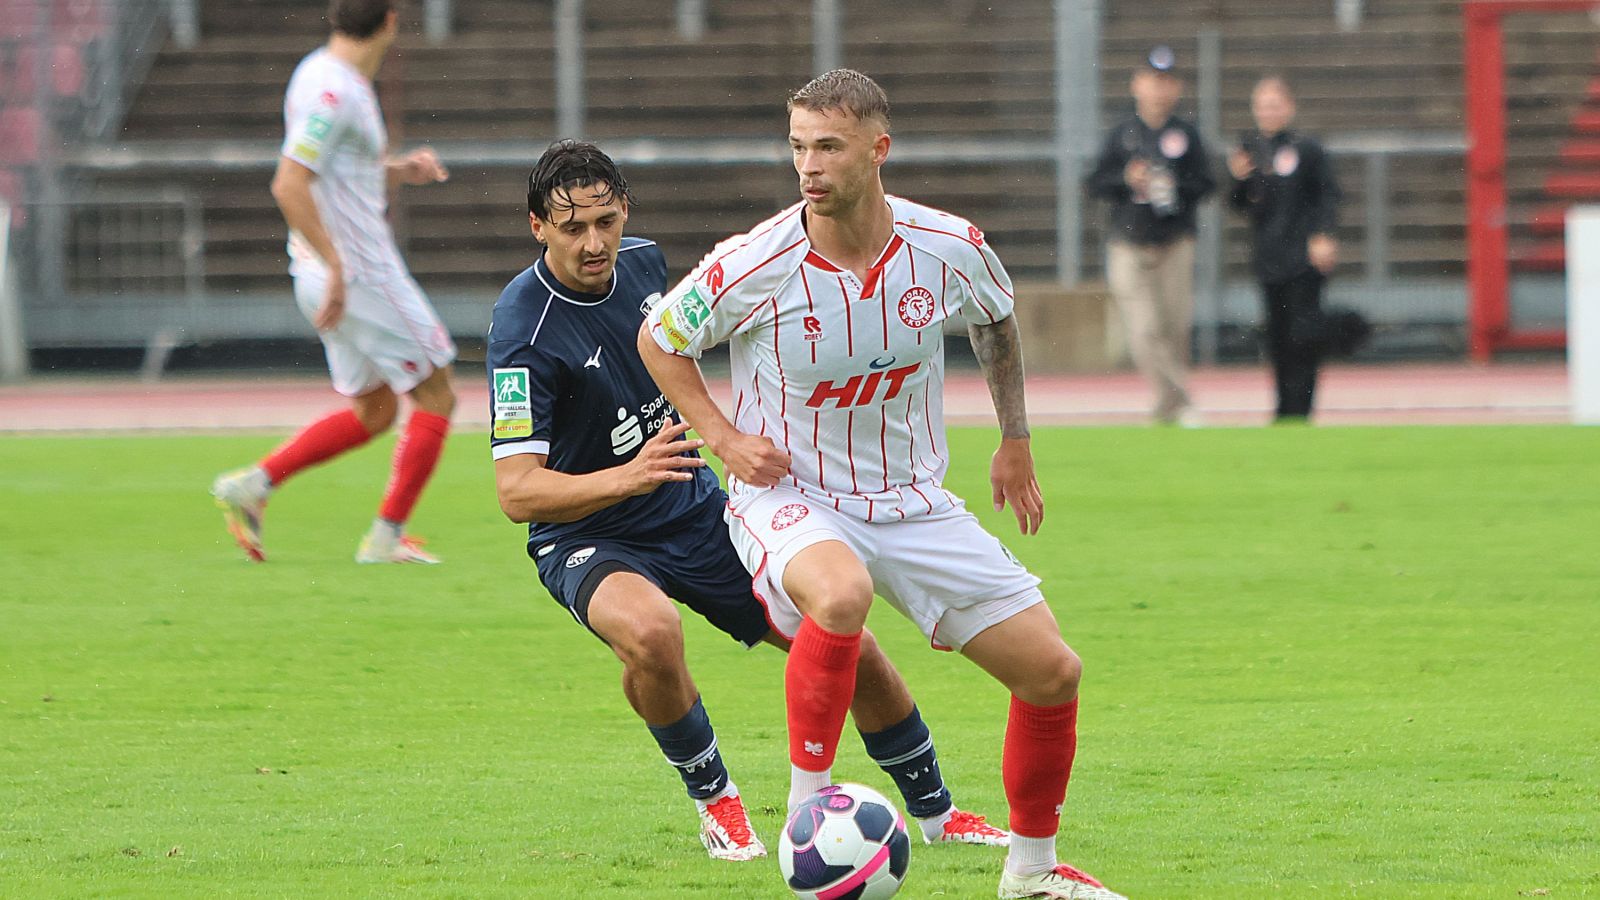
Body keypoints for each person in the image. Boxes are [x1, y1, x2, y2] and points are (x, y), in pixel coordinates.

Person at [638, 70, 1125, 900]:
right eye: (797, 146)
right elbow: (661, 337)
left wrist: (1015, 438)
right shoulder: (756, 261)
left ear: (877, 149)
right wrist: (723, 437)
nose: (809, 166)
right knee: (840, 594)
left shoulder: (947, 247)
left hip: (913, 500)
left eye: (827, 146)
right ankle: (807, 820)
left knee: (1053, 673)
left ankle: (1033, 874)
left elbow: (996, 319)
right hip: (792, 497)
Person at [488, 140, 1010, 862]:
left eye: (606, 222)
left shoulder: (642, 262)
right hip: (586, 530)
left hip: (690, 506)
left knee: (843, 642)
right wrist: (628, 476)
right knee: (652, 635)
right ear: (536, 226)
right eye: (572, 228)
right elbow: (517, 492)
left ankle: (937, 811)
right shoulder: (522, 330)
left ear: (625, 212)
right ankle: (719, 802)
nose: (594, 243)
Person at [211, 0, 456, 564]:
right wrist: (339, 264)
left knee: (376, 410)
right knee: (437, 393)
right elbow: (288, 182)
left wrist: (398, 169)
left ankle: (257, 483)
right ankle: (386, 538)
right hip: (359, 272)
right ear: (392, 21)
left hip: (320, 273)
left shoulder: (318, 74)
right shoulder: (336, 91)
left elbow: (334, 162)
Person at [1088, 44, 1216, 426]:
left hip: (1174, 241)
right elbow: (1095, 182)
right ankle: (1181, 400)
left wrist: (1175, 185)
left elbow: (1208, 183)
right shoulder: (1122, 134)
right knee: (1142, 330)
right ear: (1136, 84)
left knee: (1174, 327)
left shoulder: (1186, 135)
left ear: (1176, 88)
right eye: (1152, 81)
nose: (1159, 90)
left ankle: (1166, 406)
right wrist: (1126, 179)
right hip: (1128, 242)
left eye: (1166, 82)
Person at [1228, 75, 1342, 422]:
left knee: (1302, 335)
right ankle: (1282, 409)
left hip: (1303, 259)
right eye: (1262, 106)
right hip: (1269, 258)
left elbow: (1327, 195)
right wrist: (1237, 179)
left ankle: (1301, 410)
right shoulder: (1248, 149)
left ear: (1289, 108)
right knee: (1276, 337)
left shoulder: (1306, 149)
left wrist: (1323, 234)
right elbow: (1238, 204)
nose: (1268, 112)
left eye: (1275, 105)